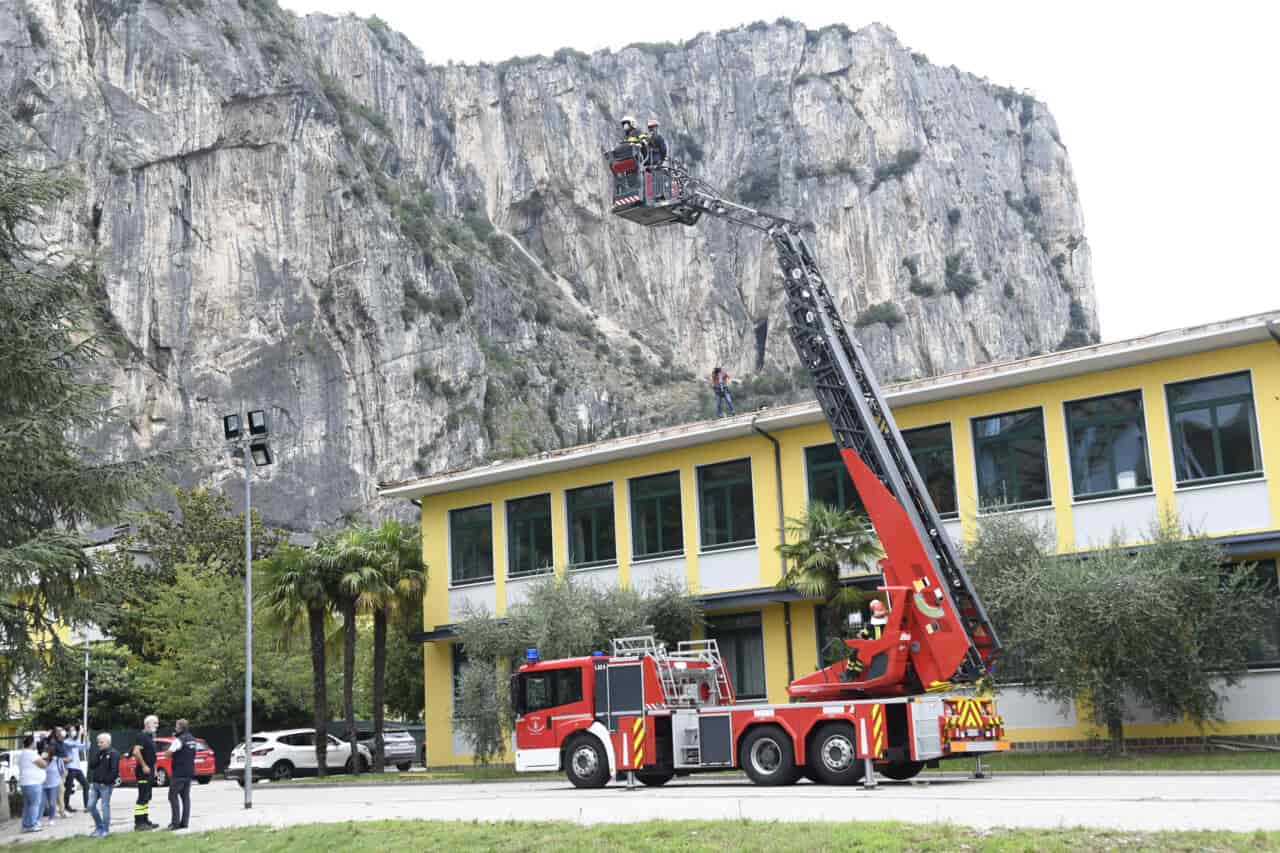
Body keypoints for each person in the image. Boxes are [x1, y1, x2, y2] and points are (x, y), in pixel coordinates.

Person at [165, 719, 197, 831]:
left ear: (180, 728)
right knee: (185, 797)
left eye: (176, 726)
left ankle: (175, 823)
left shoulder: (179, 740)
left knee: (172, 796)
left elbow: (168, 754)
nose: (175, 728)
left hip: (178, 773)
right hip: (189, 772)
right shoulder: (193, 739)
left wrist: (167, 751)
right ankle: (185, 822)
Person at [87, 733, 120, 838]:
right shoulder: (99, 753)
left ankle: (105, 830)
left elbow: (114, 771)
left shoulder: (114, 753)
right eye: (98, 742)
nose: (99, 744)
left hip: (105, 785)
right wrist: (98, 754)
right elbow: (92, 765)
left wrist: (106, 781)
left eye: (101, 742)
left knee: (104, 807)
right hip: (95, 784)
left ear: (108, 742)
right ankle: (99, 827)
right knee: (90, 806)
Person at [131, 714, 160, 830]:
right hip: (143, 771)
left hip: (150, 770)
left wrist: (155, 770)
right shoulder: (141, 736)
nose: (157, 725)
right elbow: (136, 752)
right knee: (142, 796)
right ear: (147, 724)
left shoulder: (150, 737)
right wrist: (144, 766)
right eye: (155, 723)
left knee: (147, 796)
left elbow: (152, 756)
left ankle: (145, 820)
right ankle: (139, 823)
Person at [17, 735, 49, 834]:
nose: (36, 744)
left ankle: (25, 825)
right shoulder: (31, 754)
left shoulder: (22, 754)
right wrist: (45, 757)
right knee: (34, 804)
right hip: (33, 783)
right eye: (34, 742)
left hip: (25, 783)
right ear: (31, 743)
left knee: (27, 805)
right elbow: (43, 765)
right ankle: (32, 825)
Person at [62, 724, 88, 813]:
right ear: (67, 732)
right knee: (68, 788)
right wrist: (80, 733)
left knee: (86, 785)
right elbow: (76, 744)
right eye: (72, 730)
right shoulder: (66, 742)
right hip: (70, 767)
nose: (74, 732)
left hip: (77, 768)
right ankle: (66, 806)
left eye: (74, 730)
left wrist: (86, 736)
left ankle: (87, 806)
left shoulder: (74, 741)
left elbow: (86, 747)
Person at [41, 734, 62, 826]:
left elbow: (61, 770)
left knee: (52, 803)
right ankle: (38, 820)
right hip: (43, 783)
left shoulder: (56, 759)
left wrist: (58, 779)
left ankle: (51, 819)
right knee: (41, 803)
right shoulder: (43, 757)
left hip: (54, 783)